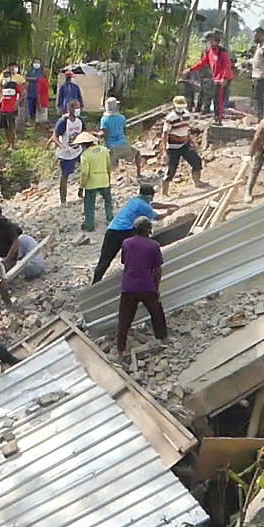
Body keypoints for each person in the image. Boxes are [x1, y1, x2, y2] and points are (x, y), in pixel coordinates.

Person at [92, 183, 177, 282]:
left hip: (112, 230)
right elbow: (157, 217)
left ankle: (95, 282)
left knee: (105, 260)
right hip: (125, 231)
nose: (152, 200)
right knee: (138, 249)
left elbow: (152, 205)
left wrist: (167, 205)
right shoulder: (144, 206)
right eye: (151, 197)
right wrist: (168, 212)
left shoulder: (134, 201)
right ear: (149, 196)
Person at [115, 216, 168, 361]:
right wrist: (155, 288)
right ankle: (162, 339)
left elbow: (125, 262)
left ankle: (120, 350)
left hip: (128, 287)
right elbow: (157, 270)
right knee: (157, 312)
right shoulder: (154, 246)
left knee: (124, 320)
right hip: (146, 286)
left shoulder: (126, 243)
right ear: (148, 230)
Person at [182, 30, 235, 124]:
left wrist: (224, 78)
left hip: (224, 78)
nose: (210, 42)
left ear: (216, 41)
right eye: (209, 40)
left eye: (212, 40)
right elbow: (202, 63)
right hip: (216, 77)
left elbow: (227, 66)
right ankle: (217, 117)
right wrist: (190, 69)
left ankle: (218, 119)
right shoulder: (208, 51)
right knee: (215, 98)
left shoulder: (222, 52)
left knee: (218, 99)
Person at [162, 103, 211, 196]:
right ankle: (165, 192)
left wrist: (192, 142)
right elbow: (165, 134)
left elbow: (186, 129)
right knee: (171, 169)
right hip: (173, 147)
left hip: (185, 144)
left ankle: (197, 182)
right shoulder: (170, 117)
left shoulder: (187, 114)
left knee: (196, 161)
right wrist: (164, 150)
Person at [75, 131, 114, 231]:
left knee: (89, 205)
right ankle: (110, 219)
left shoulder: (85, 155)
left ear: (83, 145)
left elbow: (85, 173)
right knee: (108, 201)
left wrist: (81, 187)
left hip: (91, 183)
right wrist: (109, 179)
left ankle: (89, 225)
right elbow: (109, 166)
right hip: (104, 179)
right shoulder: (104, 150)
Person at [52, 104, 85, 205]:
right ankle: (63, 200)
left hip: (78, 150)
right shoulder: (63, 121)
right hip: (66, 153)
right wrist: (61, 146)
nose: (77, 110)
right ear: (70, 109)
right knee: (65, 176)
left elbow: (84, 132)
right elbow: (55, 137)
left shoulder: (80, 120)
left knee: (86, 170)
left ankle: (81, 192)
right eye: (76, 107)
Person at [99, 97, 139, 176]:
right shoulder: (122, 118)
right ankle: (139, 174)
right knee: (137, 153)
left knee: (109, 167)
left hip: (111, 146)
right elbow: (124, 132)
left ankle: (107, 182)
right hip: (123, 144)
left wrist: (97, 135)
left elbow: (105, 134)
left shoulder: (104, 119)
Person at [0, 64, 24, 148]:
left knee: (11, 127)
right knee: (5, 128)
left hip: (11, 109)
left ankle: (12, 144)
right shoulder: (2, 86)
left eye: (8, 76)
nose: (6, 77)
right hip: (3, 109)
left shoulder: (14, 84)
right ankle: (8, 143)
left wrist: (17, 102)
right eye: (5, 76)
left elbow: (20, 94)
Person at [249, 27, 264, 119]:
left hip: (261, 76)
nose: (254, 38)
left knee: (258, 97)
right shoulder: (259, 46)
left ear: (261, 35)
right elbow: (257, 59)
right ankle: (257, 114)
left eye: (256, 36)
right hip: (255, 75)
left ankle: (259, 116)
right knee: (255, 96)